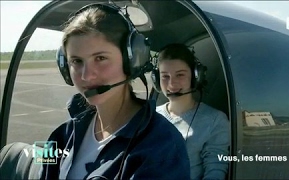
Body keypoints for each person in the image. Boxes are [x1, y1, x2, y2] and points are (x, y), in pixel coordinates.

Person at [40, 4, 190, 180]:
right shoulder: (61, 134)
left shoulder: (163, 146)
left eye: (100, 58)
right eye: (76, 61)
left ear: (131, 61)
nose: (86, 75)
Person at [151, 43, 230, 180]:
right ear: (157, 79)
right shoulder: (149, 117)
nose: (171, 84)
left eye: (180, 75)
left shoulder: (214, 120)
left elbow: (215, 171)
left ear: (195, 76)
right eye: (165, 76)